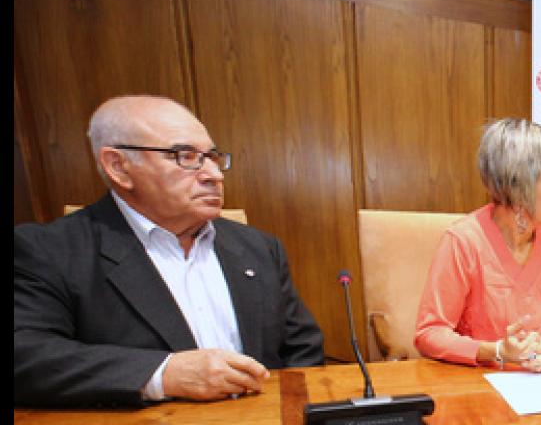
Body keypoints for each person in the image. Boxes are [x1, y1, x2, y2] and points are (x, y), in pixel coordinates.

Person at [14, 95, 323, 408]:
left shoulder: (258, 247)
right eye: (185, 156)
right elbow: (25, 355)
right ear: (119, 167)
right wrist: (161, 375)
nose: (214, 175)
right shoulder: (47, 250)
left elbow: (303, 349)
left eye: (213, 157)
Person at [414, 118, 541, 372]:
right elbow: (430, 333)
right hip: (476, 386)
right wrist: (497, 351)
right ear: (518, 184)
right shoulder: (463, 241)